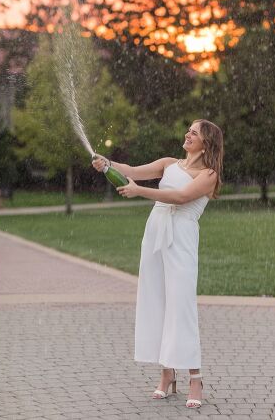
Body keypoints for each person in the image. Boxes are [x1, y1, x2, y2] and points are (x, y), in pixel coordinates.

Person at [93, 119, 224, 410]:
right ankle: (167, 374)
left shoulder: (209, 174)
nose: (187, 134)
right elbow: (132, 171)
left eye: (194, 132)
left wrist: (140, 192)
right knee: (156, 300)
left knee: (181, 305)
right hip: (155, 232)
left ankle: (195, 378)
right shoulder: (168, 164)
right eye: (188, 130)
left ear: (206, 143)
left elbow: (181, 197)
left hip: (181, 237)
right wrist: (107, 164)